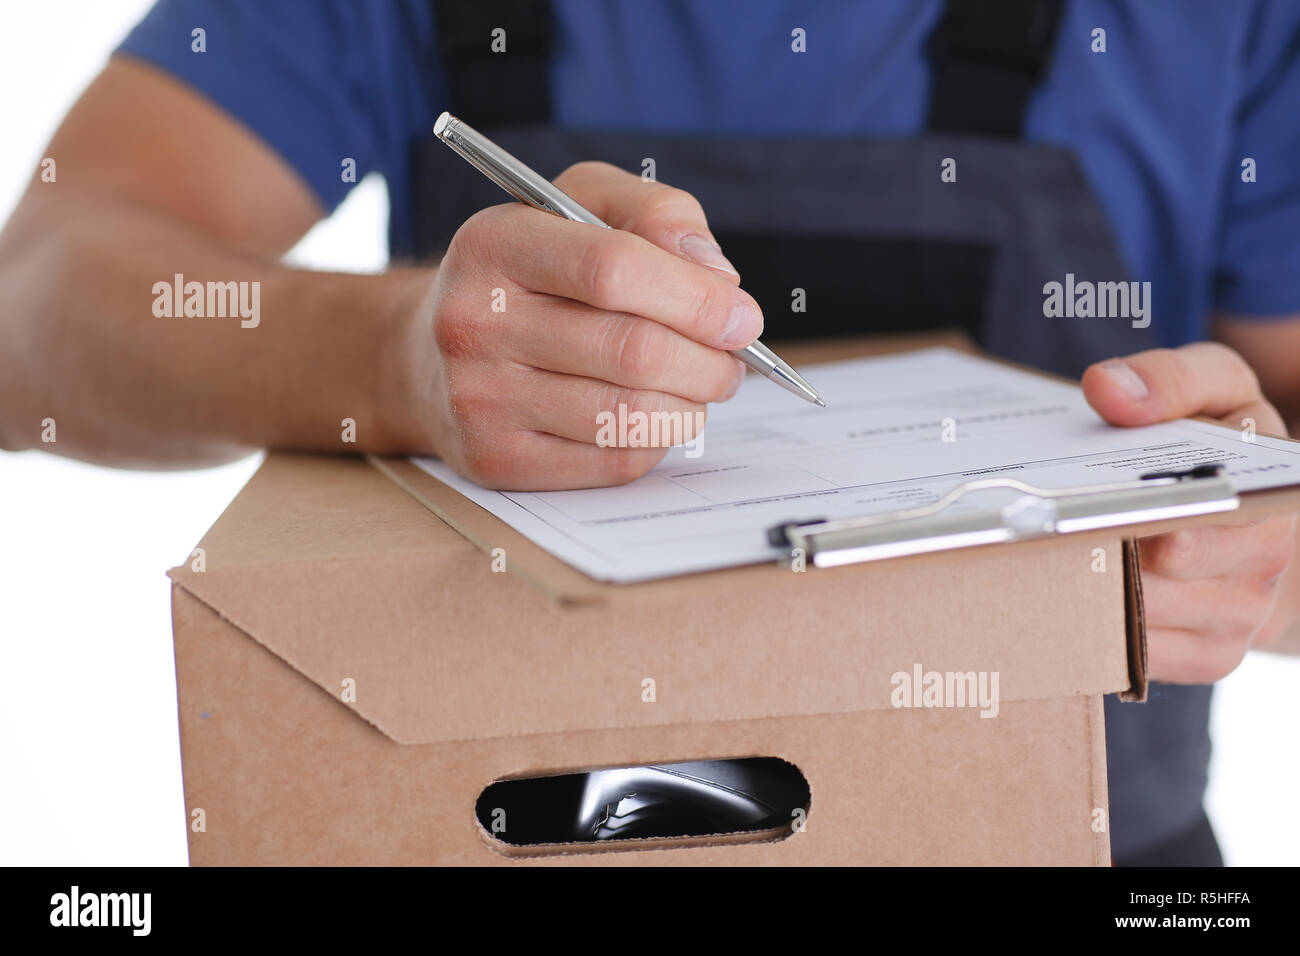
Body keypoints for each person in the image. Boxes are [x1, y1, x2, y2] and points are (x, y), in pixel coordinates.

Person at [1, 0, 1297, 865]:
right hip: (504, 829)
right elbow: (28, 316)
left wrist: (1259, 541)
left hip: (1081, 841)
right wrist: (395, 359)